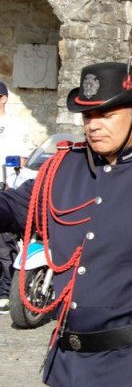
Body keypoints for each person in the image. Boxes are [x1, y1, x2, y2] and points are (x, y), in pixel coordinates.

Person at [0, 62, 132, 387]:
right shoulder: (63, 169)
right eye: (88, 116)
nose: (94, 125)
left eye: (106, 114)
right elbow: (16, 207)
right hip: (68, 365)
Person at [0, 81, 32, 314]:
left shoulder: (16, 126)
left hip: (5, 187)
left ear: (3, 99)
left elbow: (22, 158)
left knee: (3, 245)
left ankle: (3, 293)